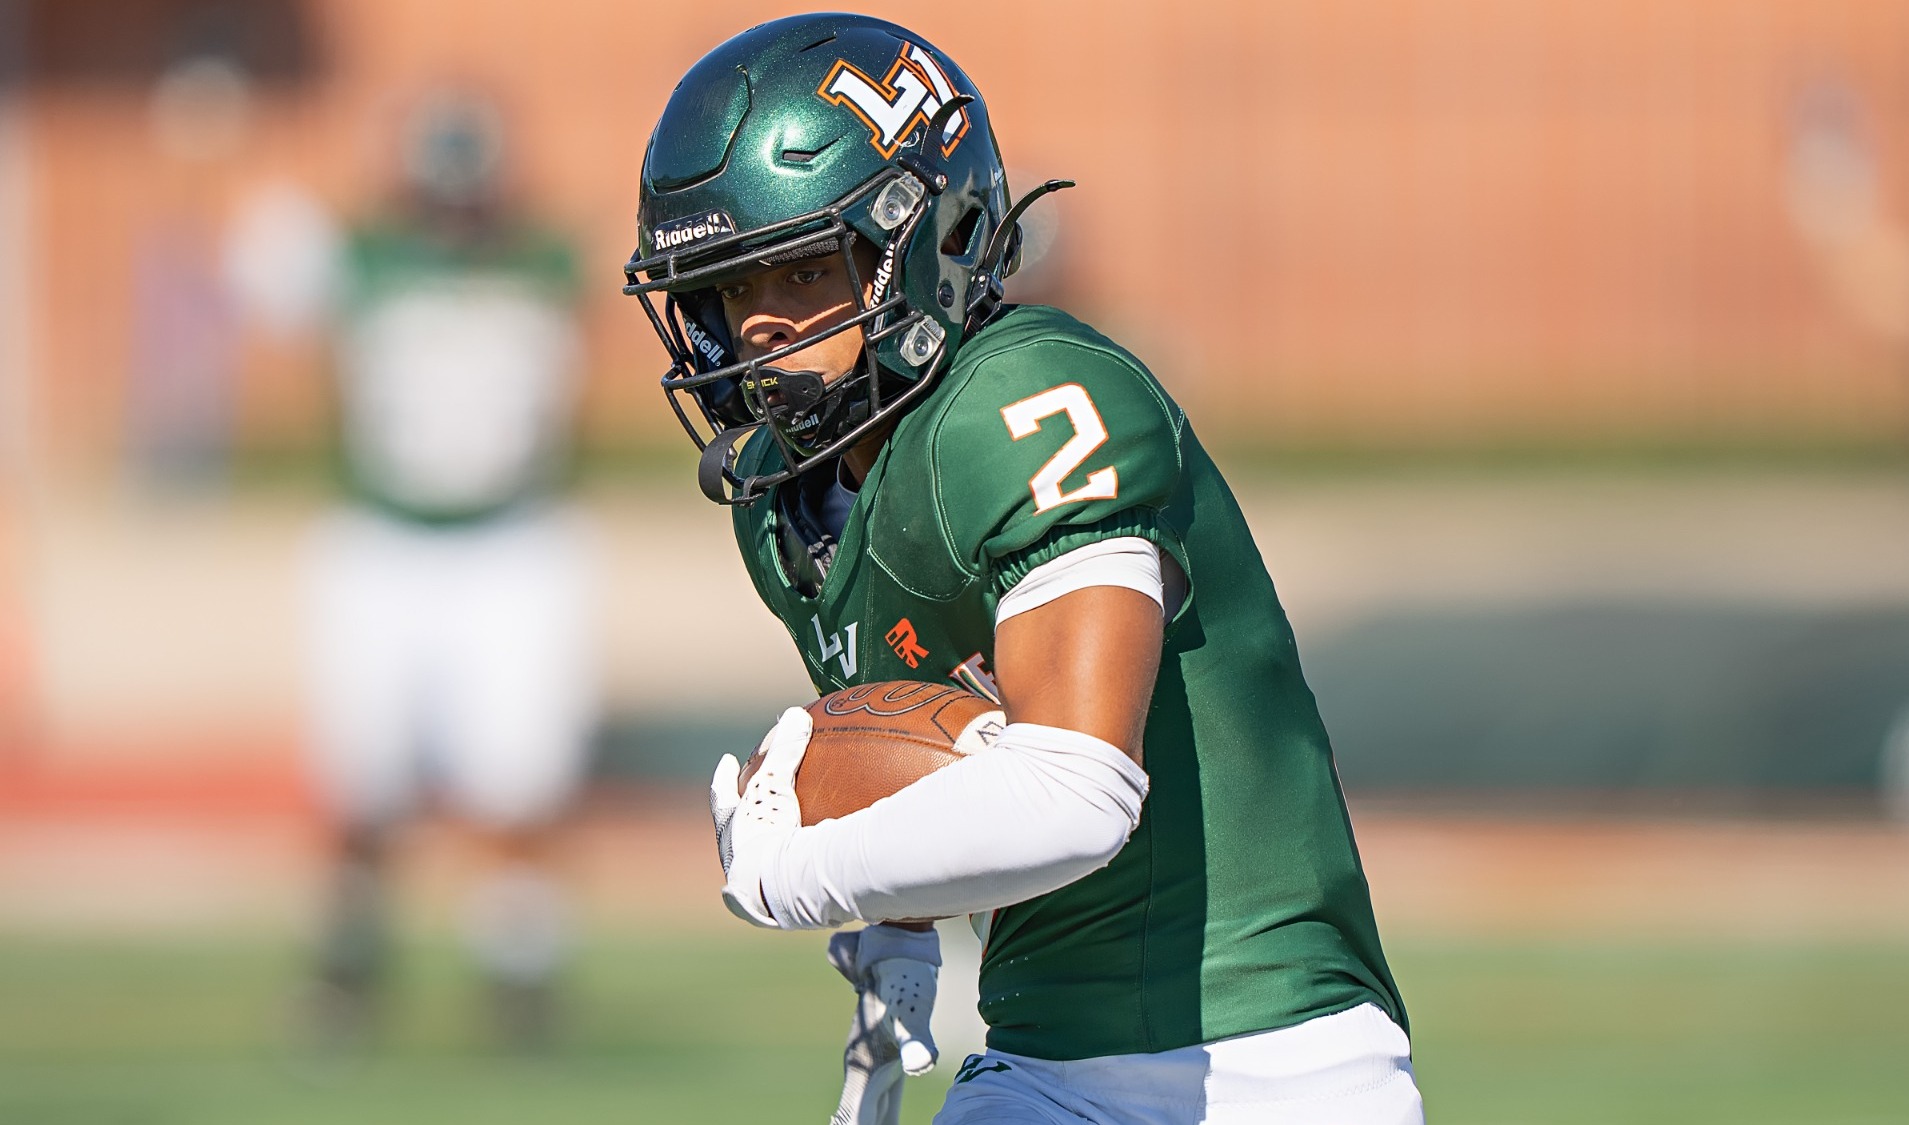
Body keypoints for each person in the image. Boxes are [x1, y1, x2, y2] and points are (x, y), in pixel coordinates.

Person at [623, 14, 1419, 1123]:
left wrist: (795, 874)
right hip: (1041, 1055)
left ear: (919, 235)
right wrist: (896, 929)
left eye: (801, 266)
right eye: (719, 286)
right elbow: (928, 736)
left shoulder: (1025, 398)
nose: (757, 322)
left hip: (1267, 1060)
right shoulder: (788, 502)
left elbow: (1075, 792)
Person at [300, 90, 598, 1052]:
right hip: (382, 539)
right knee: (362, 782)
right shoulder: (362, 258)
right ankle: (347, 971)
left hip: (514, 537)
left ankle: (520, 978)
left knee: (521, 780)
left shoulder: (545, 260)